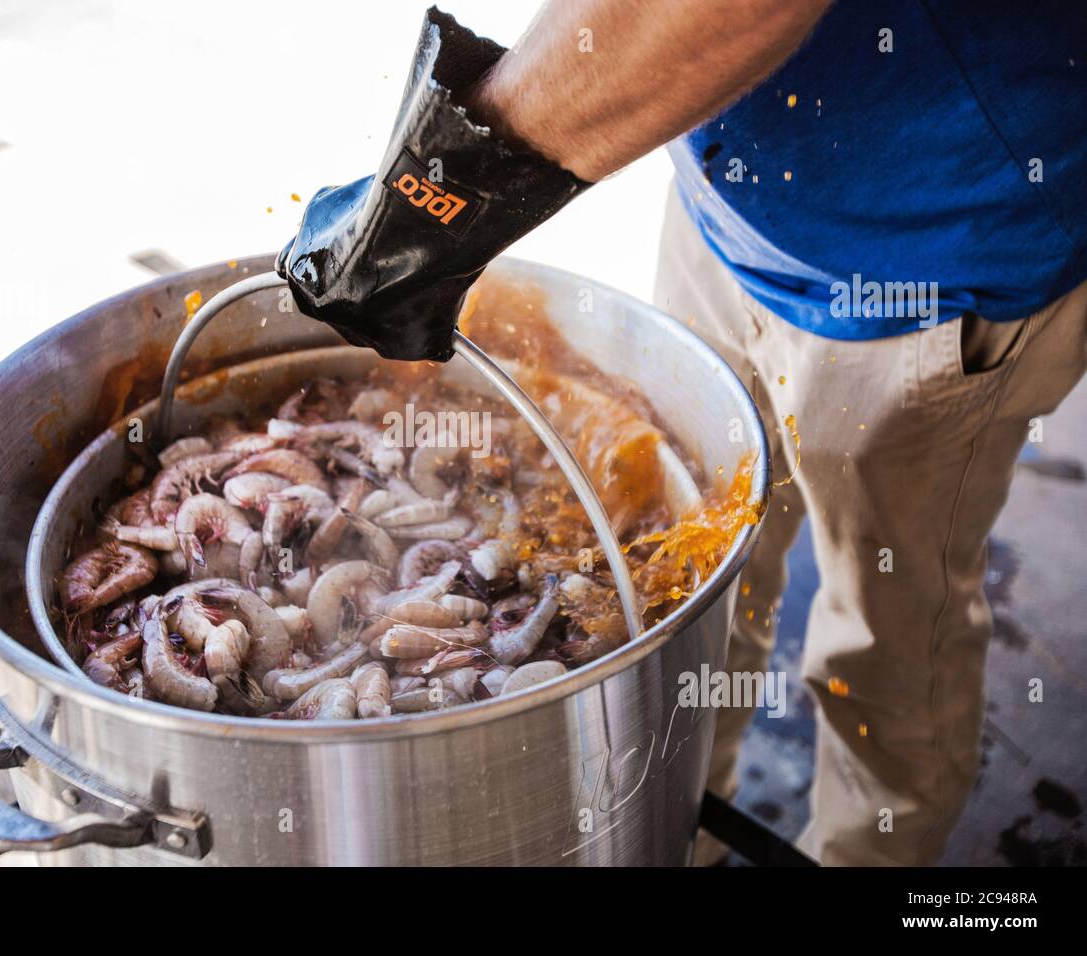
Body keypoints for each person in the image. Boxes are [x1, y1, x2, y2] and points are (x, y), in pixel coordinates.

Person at [280, 2, 1087, 865]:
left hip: (936, 266)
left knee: (891, 640)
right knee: (685, 585)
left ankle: (869, 853)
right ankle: (678, 831)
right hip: (733, 200)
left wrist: (444, 196)